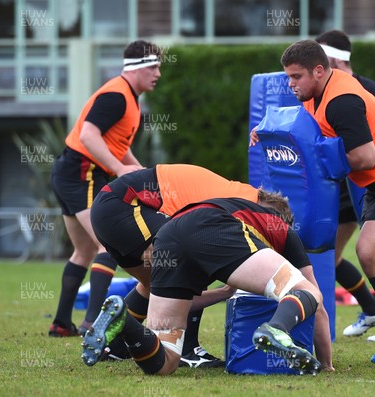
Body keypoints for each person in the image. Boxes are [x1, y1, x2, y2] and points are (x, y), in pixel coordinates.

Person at [252, 39, 375, 365]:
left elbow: (365, 156)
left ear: (319, 71)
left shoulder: (341, 101)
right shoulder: (315, 94)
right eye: (288, 77)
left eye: (296, 77)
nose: (290, 84)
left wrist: (325, 164)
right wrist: (267, 131)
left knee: (369, 252)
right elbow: (301, 122)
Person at [82, 196, 335, 375]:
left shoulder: (230, 205)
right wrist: (327, 365)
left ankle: (125, 320)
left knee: (166, 361)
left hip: (168, 234)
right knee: (307, 291)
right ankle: (277, 329)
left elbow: (187, 304)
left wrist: (223, 293)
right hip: (214, 225)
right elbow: (318, 304)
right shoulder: (279, 227)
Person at [89, 163, 270, 367]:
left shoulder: (238, 194)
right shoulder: (243, 204)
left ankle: (114, 345)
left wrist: (225, 292)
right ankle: (187, 349)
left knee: (155, 286)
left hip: (108, 209)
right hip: (122, 206)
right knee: (191, 259)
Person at [49, 40, 162, 337]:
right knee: (108, 246)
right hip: (81, 173)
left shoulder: (127, 97)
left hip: (73, 172)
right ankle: (91, 324)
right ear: (135, 68)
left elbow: (115, 145)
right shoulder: (116, 95)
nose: (158, 73)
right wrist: (121, 169)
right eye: (153, 66)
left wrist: (136, 169)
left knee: (84, 251)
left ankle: (61, 323)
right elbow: (88, 135)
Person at [315, 30, 375, 342]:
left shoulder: (366, 91)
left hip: (374, 180)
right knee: (328, 257)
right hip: (340, 184)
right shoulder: (320, 91)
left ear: (333, 60)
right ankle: (372, 309)